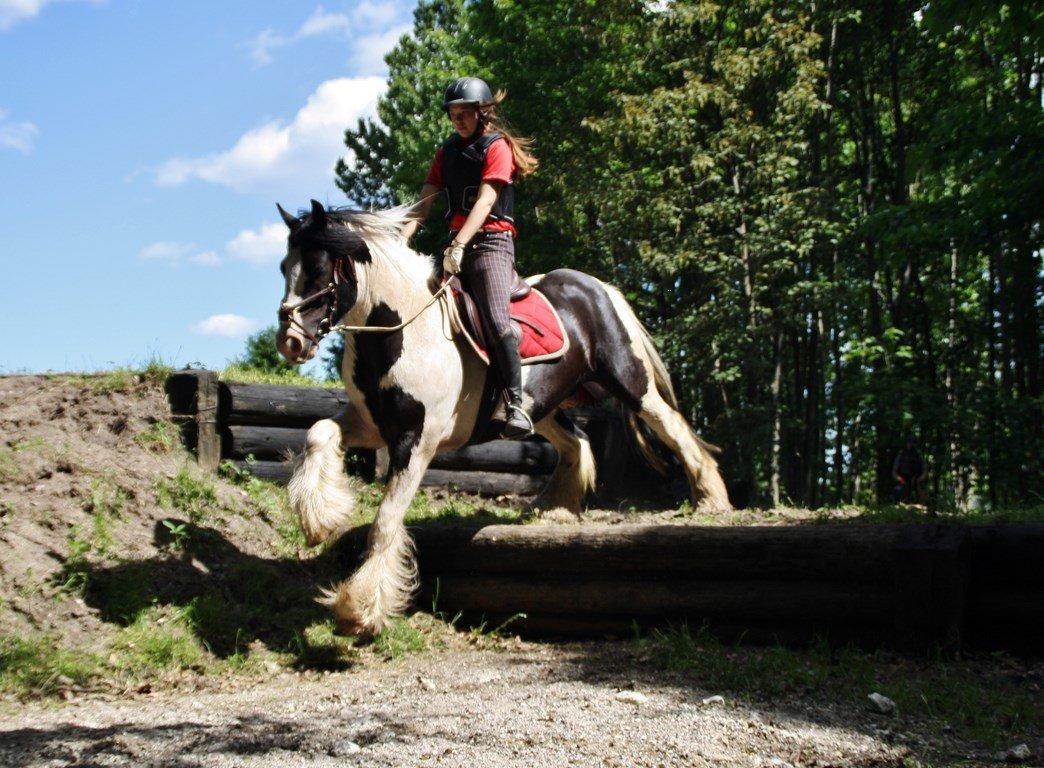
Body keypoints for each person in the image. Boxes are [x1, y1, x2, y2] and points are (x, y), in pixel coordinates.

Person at [403, 76, 539, 439]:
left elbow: (486, 200)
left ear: (482, 113)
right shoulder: (446, 153)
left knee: (496, 322)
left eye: (464, 113)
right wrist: (401, 238)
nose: (457, 120)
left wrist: (460, 244)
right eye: (453, 113)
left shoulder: (498, 147)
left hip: (491, 245)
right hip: (455, 246)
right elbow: (424, 201)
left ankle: (515, 404)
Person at [892, 435, 928, 504]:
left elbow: (925, 470)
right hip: (904, 479)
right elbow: (894, 472)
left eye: (912, 443)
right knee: (898, 490)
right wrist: (900, 479)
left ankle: (921, 504)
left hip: (916, 478)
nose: (910, 445)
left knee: (922, 489)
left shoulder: (918, 455)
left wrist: (919, 479)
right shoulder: (901, 455)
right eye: (909, 442)